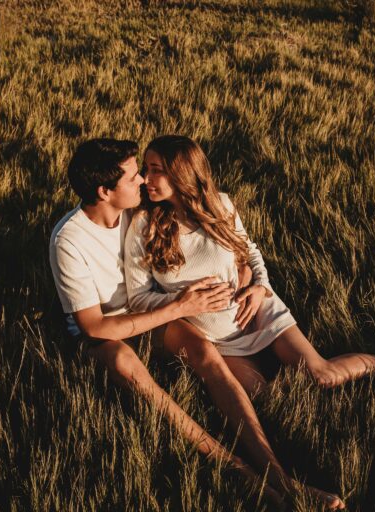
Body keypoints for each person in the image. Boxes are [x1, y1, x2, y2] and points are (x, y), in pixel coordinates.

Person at [124, 136, 375, 508]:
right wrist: (183, 303)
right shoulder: (144, 225)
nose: (145, 179)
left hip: (258, 311)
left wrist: (260, 287)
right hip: (218, 338)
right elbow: (138, 299)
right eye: (145, 169)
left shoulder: (221, 205)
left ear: (183, 173)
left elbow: (251, 253)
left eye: (156, 170)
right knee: (269, 397)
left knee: (322, 376)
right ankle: (288, 481)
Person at [49, 138, 296, 506]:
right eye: (134, 176)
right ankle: (238, 471)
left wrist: (242, 266)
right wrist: (179, 306)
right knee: (126, 365)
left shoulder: (135, 210)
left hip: (149, 314)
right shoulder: (68, 240)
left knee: (205, 353)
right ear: (104, 191)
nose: (143, 182)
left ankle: (281, 478)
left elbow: (207, 227)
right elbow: (94, 327)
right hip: (106, 331)